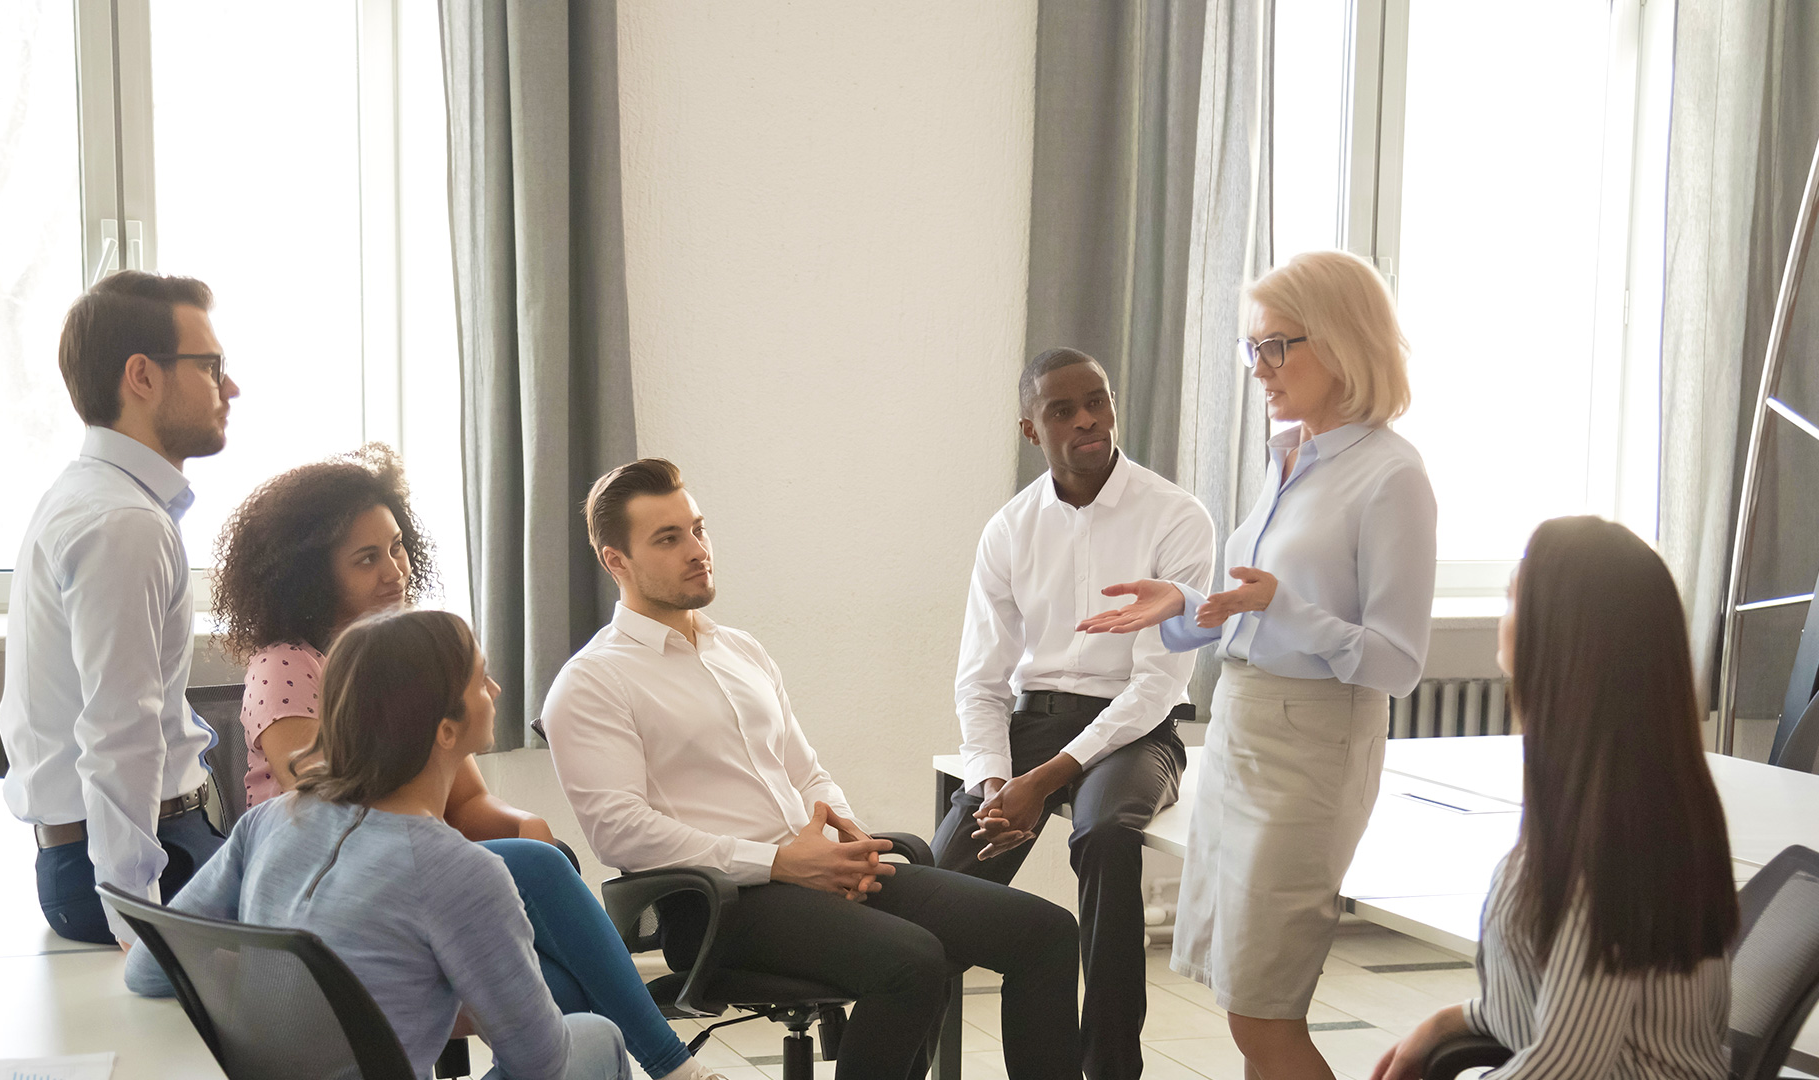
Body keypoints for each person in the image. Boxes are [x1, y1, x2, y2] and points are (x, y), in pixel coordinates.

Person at [542, 458, 1083, 1080]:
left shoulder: (739, 649)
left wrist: (846, 838)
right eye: (668, 539)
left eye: (698, 529)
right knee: (913, 963)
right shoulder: (593, 681)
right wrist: (777, 862)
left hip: (813, 871)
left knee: (1045, 932)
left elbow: (807, 771)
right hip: (720, 905)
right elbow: (620, 832)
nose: (698, 550)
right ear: (617, 562)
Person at [209, 446, 718, 1080]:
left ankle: (664, 1064)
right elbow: (345, 814)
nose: (393, 569)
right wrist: (484, 873)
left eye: (396, 547)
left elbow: (467, 803)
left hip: (400, 885)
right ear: (312, 575)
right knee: (561, 972)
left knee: (559, 956)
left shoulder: (406, 651)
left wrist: (522, 826)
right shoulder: (286, 665)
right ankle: (672, 1065)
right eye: (367, 558)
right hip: (340, 903)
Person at [1078, 250, 1437, 1080]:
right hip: (1240, 730)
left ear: (1345, 341)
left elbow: (1396, 663)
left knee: (1264, 1008)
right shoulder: (1289, 458)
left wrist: (1282, 606)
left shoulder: (1392, 476)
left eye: (1278, 346)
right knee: (1241, 1004)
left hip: (1313, 746)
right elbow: (1260, 606)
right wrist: (1188, 605)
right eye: (1254, 349)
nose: (1260, 370)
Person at [125, 608, 631, 1080]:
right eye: (481, 680)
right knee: (597, 1035)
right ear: (446, 730)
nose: (495, 689)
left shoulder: (269, 822)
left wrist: (274, 989)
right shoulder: (463, 873)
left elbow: (148, 968)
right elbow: (540, 1064)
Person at [933, 346, 1215, 1078]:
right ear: (1032, 429)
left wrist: (1047, 778)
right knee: (936, 888)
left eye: (1099, 400)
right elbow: (982, 680)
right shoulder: (1009, 529)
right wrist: (996, 783)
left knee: (1105, 835)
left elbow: (1156, 686)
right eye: (1064, 409)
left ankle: (1110, 1068)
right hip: (1035, 724)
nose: (1089, 420)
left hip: (1136, 731)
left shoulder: (1176, 517)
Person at [1371, 517, 1736, 1080]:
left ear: (1562, 637)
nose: (1502, 617)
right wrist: (1444, 1024)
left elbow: (1563, 1067)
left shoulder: (1613, 847)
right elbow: (1543, 1006)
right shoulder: (1607, 799)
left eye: (1513, 599)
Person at [0, 269, 241, 946]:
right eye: (211, 366)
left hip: (148, 845)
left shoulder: (100, 498)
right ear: (142, 376)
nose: (230, 388)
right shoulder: (121, 523)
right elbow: (118, 734)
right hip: (140, 863)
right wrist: (141, 927)